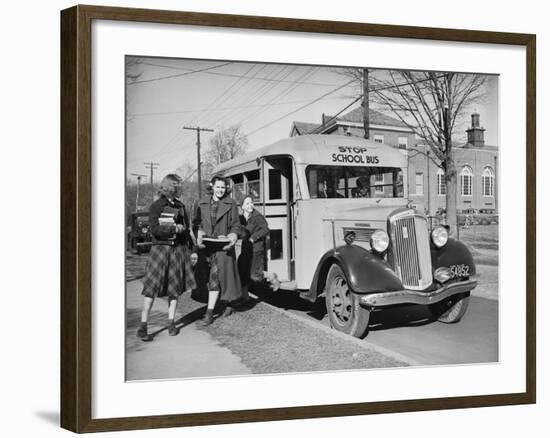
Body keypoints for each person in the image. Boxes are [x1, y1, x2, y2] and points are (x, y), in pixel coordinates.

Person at [137, 174, 196, 341]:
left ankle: (171, 322)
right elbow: (154, 229)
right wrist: (173, 229)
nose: (178, 189)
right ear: (169, 186)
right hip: (160, 250)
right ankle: (143, 325)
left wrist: (191, 249)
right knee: (151, 288)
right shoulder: (157, 205)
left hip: (178, 251)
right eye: (176, 186)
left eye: (179, 186)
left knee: (174, 289)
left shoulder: (181, 206)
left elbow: (187, 230)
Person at [193, 175, 243, 326]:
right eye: (218, 187)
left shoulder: (231, 204)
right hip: (206, 246)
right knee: (208, 278)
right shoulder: (201, 203)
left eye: (223, 187)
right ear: (212, 187)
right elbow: (196, 223)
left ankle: (209, 313)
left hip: (222, 247)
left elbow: (236, 225)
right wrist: (199, 233)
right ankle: (228, 303)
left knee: (216, 278)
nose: (221, 190)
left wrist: (232, 235)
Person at [237, 196, 280, 300]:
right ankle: (245, 297)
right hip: (245, 249)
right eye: (247, 203)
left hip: (256, 249)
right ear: (242, 206)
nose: (250, 205)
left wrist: (253, 238)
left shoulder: (257, 216)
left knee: (255, 275)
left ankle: (271, 276)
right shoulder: (241, 218)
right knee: (243, 272)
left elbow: (265, 229)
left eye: (251, 202)